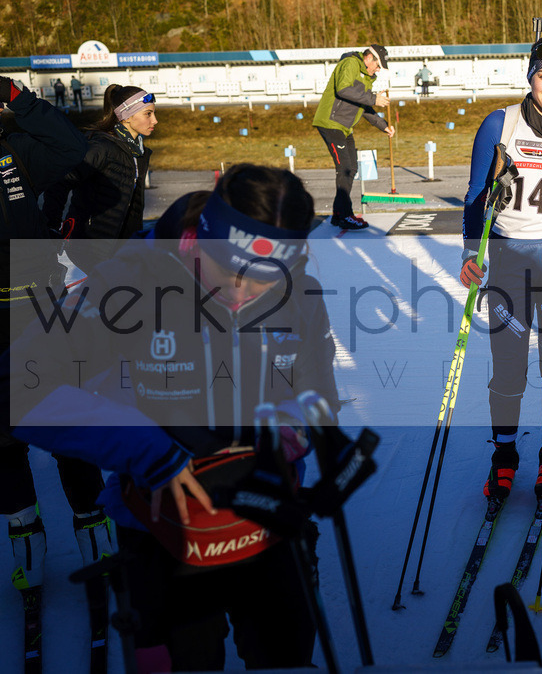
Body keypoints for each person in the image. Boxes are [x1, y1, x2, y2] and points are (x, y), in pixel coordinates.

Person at [7, 164, 342, 671]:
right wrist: (149, 450)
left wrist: (292, 430)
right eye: (232, 273)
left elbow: (320, 392)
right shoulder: (128, 283)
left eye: (270, 276)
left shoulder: (298, 288)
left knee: (286, 657)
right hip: (162, 534)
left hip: (268, 521)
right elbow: (19, 387)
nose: (247, 292)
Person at [460, 35, 542, 501]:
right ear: (530, 76)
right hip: (508, 263)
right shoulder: (499, 124)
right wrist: (468, 255)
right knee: (509, 370)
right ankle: (503, 457)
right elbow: (475, 194)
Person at [0, 75, 112, 597]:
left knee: (67, 422)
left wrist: (19, 100)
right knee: (3, 444)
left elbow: (72, 145)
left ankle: (95, 533)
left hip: (40, 312)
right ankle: (27, 545)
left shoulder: (14, 150)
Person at [43, 84, 156, 276]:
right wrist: (52, 226)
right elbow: (60, 181)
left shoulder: (138, 152)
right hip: (91, 247)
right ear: (127, 116)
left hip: (122, 246)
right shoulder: (101, 148)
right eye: (148, 114)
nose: (155, 120)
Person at [313, 43, 395, 230]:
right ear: (369, 58)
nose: (378, 70)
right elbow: (343, 89)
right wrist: (374, 98)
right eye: (378, 65)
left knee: (352, 168)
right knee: (345, 169)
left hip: (344, 128)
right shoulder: (350, 64)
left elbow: (364, 107)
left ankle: (339, 214)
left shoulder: (367, 78)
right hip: (330, 123)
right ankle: (344, 215)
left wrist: (383, 126)